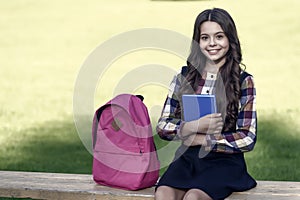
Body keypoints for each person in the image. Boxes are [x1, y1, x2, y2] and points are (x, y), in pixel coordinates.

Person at [155, 8, 257, 200]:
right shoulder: (184, 77)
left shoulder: (243, 81)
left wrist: (203, 140)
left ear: (230, 40)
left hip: (225, 162)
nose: (212, 43)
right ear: (198, 42)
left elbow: (247, 137)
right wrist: (191, 127)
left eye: (219, 36)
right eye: (205, 38)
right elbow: (163, 126)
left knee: (193, 197)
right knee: (163, 193)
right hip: (188, 159)